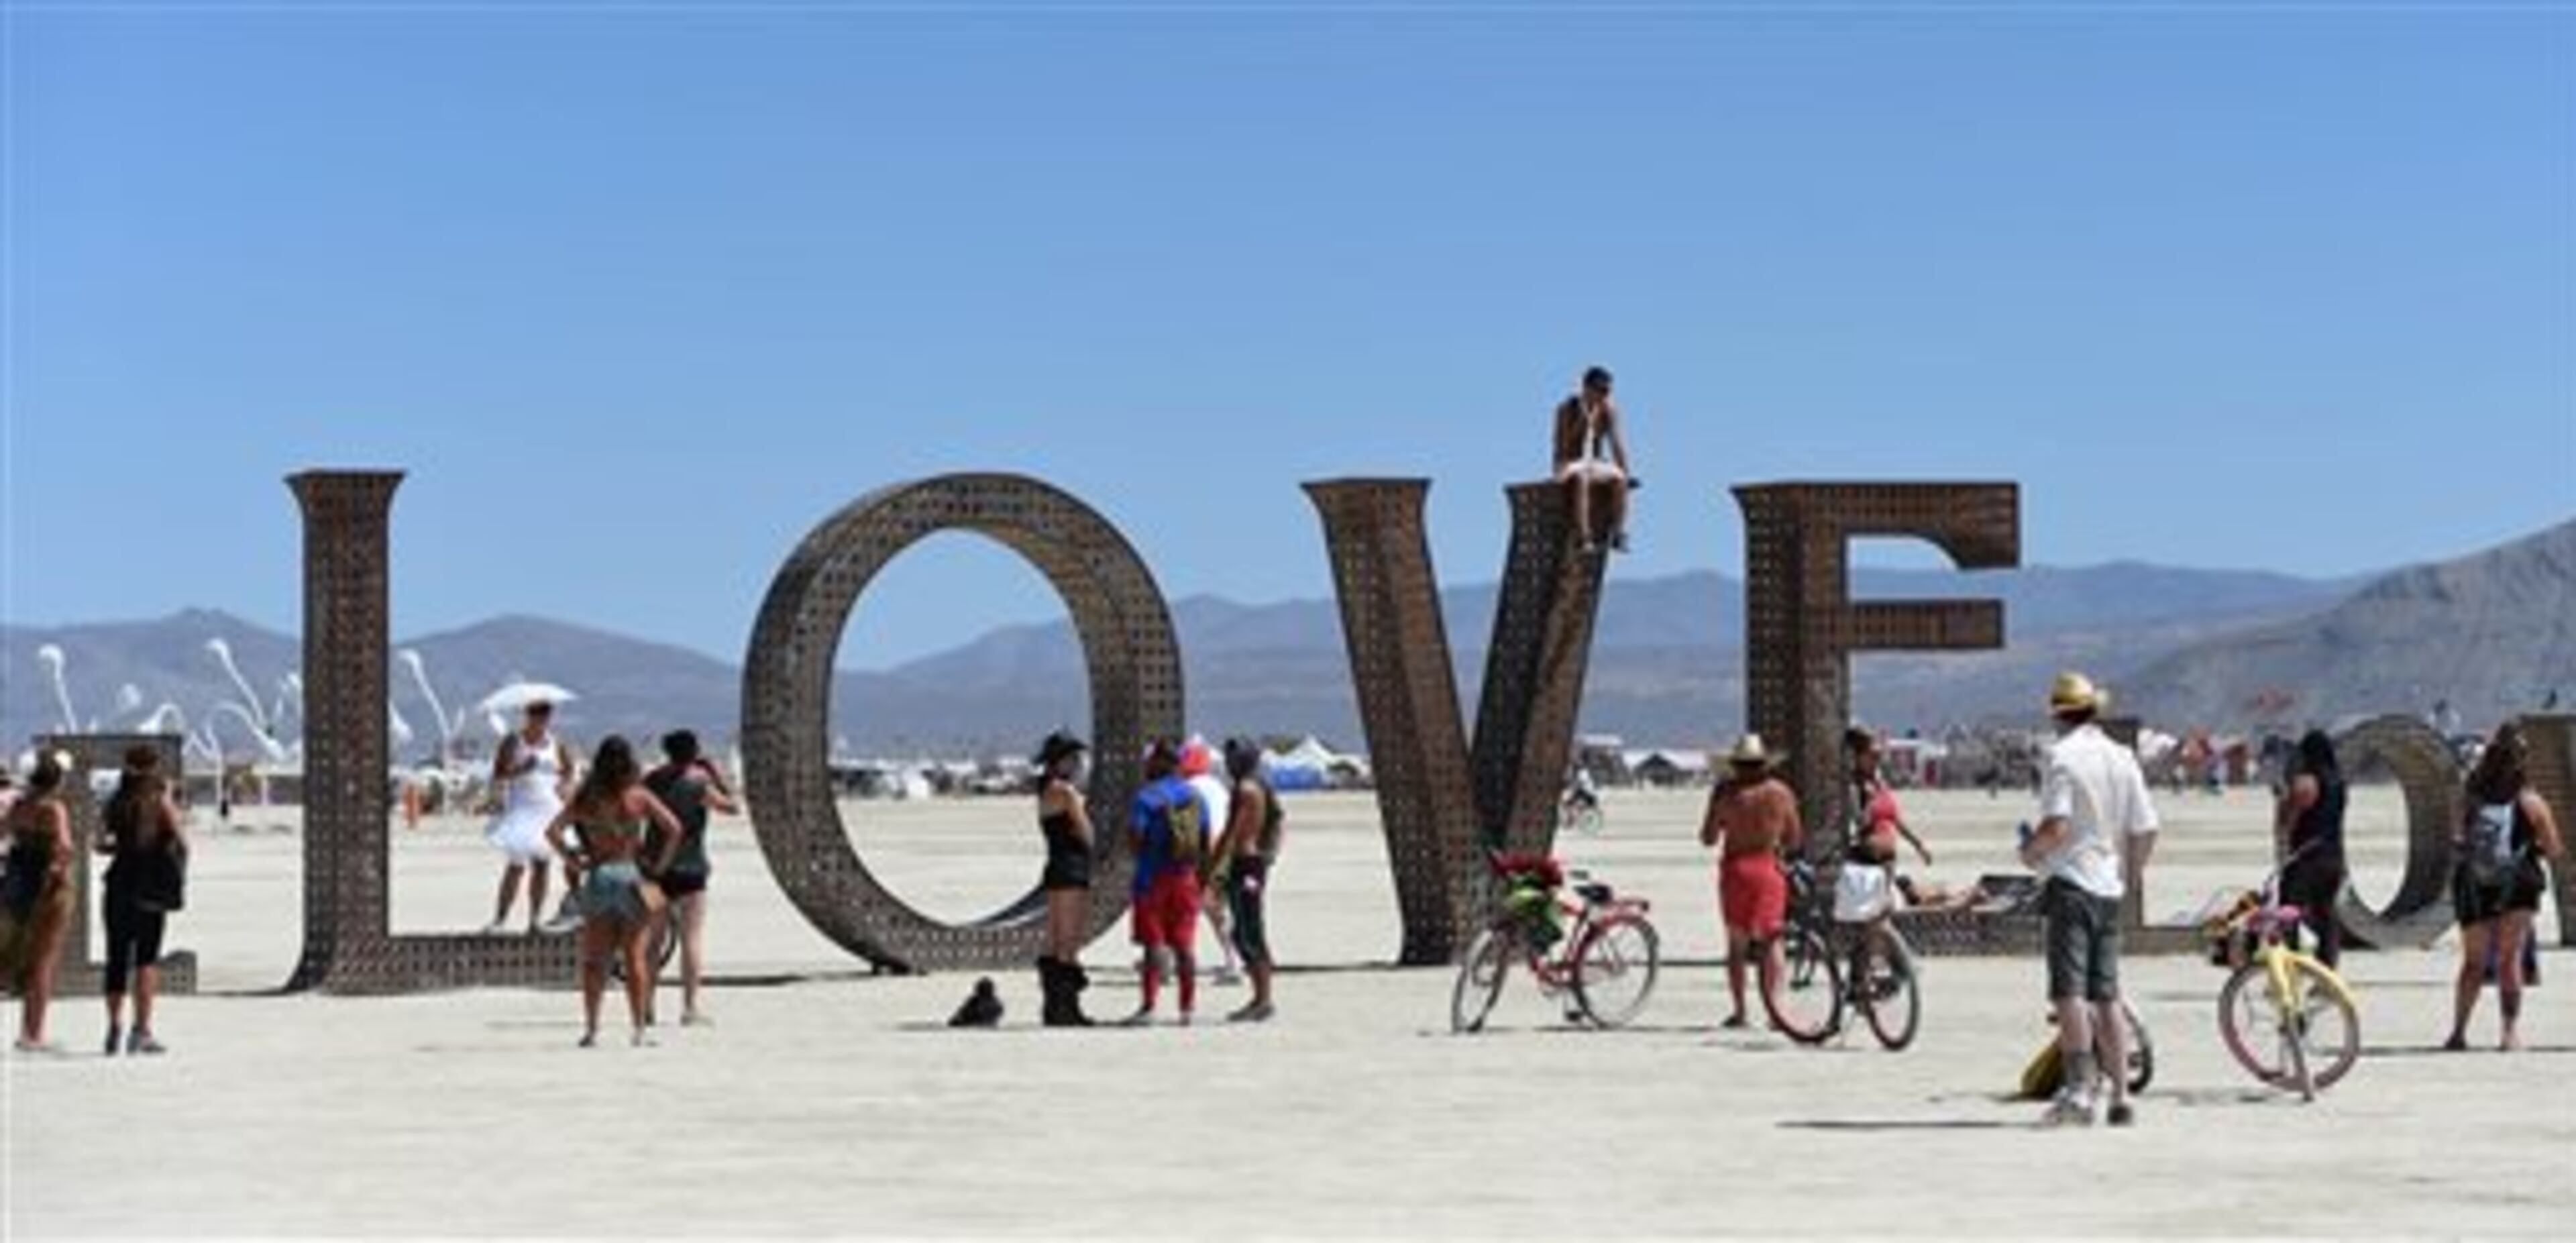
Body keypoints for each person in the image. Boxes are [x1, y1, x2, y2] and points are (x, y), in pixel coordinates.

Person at [2019, 672, 2160, 1128]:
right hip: (2108, 885)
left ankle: (2080, 1090)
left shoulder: (2061, 756)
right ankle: (2121, 1095)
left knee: (2069, 992)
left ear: (2059, 714)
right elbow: (2146, 827)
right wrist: (2129, 874)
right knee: (2108, 995)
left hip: (2072, 882)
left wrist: (2030, 851)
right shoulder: (2123, 757)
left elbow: (2057, 825)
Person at [544, 735, 686, 1048]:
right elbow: (674, 829)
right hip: (632, 874)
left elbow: (552, 831)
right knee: (635, 957)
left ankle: (593, 1029)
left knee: (595, 960)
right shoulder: (638, 797)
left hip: (599, 875)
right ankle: (638, 1029)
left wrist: (572, 858)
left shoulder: (587, 799)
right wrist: (659, 866)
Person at [2445, 722, 2567, 1052]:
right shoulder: (2531, 802)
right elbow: (2554, 849)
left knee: (2473, 962)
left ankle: (2458, 1032)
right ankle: (2509, 1034)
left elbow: (2455, 838)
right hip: (2519, 884)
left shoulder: (2470, 799)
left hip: (2474, 884)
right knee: (2509, 959)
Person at [1699, 735, 1801, 1030]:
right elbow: (1795, 838)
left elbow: (1707, 838)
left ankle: (1741, 1011)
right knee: (1773, 944)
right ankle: (1776, 1012)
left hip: (1736, 871)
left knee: (1736, 945)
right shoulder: (1780, 793)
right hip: (1769, 869)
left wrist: (1724, 819)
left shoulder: (1726, 792)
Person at [641, 730, 738, 1028]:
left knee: (653, 940)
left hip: (655, 869)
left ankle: (645, 1005)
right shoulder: (699, 782)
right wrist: (717, 775)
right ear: (694, 752)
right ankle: (690, 1007)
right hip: (691, 868)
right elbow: (732, 807)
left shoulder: (653, 780)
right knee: (691, 937)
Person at [99, 747, 190, 1057]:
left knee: (117, 956)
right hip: (149, 886)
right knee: (146, 958)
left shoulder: (117, 801)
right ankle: (142, 1030)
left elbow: (103, 843)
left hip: (118, 882)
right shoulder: (158, 801)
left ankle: (113, 1028)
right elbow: (180, 840)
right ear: (153, 768)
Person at [1124, 741, 1208, 1026]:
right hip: (1186, 878)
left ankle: (1149, 1007)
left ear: (1160, 763)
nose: (1146, 765)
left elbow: (1136, 835)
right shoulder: (1195, 796)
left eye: (1150, 761)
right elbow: (1205, 839)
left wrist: (1142, 859)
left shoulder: (1147, 797)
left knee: (1154, 944)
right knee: (1185, 946)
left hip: (1152, 877)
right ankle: (1187, 1008)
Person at [1, 753, 76, 1052]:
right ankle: (32, 1033)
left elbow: (5, 831)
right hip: (50, 889)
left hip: (18, 886)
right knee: (44, 961)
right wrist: (59, 867)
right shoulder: (53, 808)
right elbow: (65, 846)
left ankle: (29, 1033)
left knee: (17, 954)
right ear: (57, 780)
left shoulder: (20, 806)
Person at [484, 701, 574, 934]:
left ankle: (535, 920)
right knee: (515, 866)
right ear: (527, 715)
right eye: (536, 713)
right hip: (522, 810)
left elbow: (568, 770)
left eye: (545, 713)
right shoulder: (513, 741)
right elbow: (498, 773)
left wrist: (563, 786)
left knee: (542, 866)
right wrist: (522, 769)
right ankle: (500, 918)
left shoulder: (557, 743)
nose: (541, 718)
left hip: (548, 809)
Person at [1211, 737, 1285, 1022]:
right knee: (1247, 929)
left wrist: (1210, 868)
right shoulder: (1262, 787)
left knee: (1248, 931)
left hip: (1245, 866)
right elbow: (1278, 821)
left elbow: (1231, 834)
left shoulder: (1244, 789)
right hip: (1254, 865)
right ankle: (1260, 998)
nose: (1229, 765)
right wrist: (1270, 853)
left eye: (1233, 759)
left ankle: (1263, 999)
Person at [1031, 731, 1097, 1028]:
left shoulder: (1045, 789)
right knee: (1069, 942)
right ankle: (1066, 1008)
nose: (1077, 764)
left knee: (1054, 939)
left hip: (1056, 865)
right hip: (1073, 868)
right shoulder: (1067, 793)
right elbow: (1088, 834)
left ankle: (1052, 1006)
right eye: (1073, 759)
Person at [2272, 730, 2349, 969]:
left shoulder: (2308, 780)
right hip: (2333, 855)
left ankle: (2289, 962)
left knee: (2288, 911)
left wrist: (2283, 801)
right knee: (2325, 915)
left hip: (2307, 857)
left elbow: (2291, 816)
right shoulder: (2339, 783)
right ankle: (2327, 968)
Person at [1552, 365, 1635, 554]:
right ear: (1587, 388)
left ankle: (1618, 532)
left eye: (1607, 391)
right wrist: (1581, 423)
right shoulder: (1567, 409)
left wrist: (1626, 472)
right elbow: (1561, 446)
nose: (1604, 395)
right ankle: (1584, 536)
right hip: (1569, 462)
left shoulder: (1608, 410)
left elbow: (1616, 443)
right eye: (1601, 390)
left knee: (1620, 479)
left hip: (1594, 461)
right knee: (1581, 480)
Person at [1182, 741, 1242, 987]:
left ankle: (1233, 960)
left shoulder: (1188, 788)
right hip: (1226, 850)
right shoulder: (1217, 786)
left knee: (1203, 908)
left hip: (1205, 852)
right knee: (1215, 908)